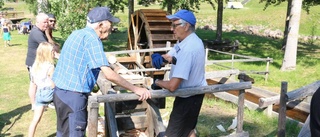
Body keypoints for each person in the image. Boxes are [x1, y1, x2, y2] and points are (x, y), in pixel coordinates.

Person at [52, 7, 151, 136]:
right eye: (110, 24)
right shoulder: (93, 39)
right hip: (73, 98)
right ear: (100, 25)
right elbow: (109, 74)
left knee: (63, 133)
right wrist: (135, 89)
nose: (111, 28)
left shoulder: (77, 33)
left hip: (60, 94)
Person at [151, 9, 207, 137]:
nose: (172, 29)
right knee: (189, 131)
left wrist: (157, 82)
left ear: (186, 26)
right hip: (193, 95)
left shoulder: (189, 49)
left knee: (172, 134)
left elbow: (172, 86)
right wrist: (160, 58)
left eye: (175, 25)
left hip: (188, 98)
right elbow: (171, 56)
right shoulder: (186, 41)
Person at [28, 42, 56, 137]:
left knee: (36, 119)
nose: (54, 53)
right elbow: (53, 83)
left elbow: (34, 82)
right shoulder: (50, 66)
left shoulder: (35, 65)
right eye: (52, 51)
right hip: (49, 92)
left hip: (39, 93)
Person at [25, 13, 49, 111]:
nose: (46, 24)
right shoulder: (37, 33)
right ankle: (34, 104)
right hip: (34, 63)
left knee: (38, 83)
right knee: (34, 84)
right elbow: (48, 46)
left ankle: (40, 103)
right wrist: (58, 56)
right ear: (37, 22)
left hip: (38, 62)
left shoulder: (40, 31)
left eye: (47, 22)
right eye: (44, 22)